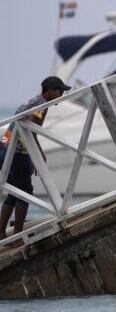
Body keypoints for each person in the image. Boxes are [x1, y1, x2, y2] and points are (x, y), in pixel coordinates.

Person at [0, 76, 70, 239]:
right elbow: (31, 132)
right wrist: (38, 155)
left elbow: (24, 128)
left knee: (15, 191)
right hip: (17, 152)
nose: (61, 95)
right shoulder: (41, 106)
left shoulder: (33, 101)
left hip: (5, 146)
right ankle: (17, 235)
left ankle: (2, 232)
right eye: (59, 91)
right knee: (25, 191)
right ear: (50, 91)